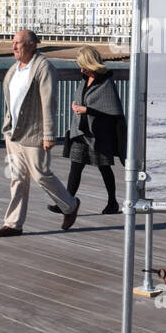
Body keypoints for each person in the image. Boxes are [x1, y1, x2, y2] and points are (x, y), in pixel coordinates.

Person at [0, 30, 79, 237]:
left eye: (18, 43)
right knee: (17, 178)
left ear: (31, 45)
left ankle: (70, 205)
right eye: (13, 42)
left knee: (41, 175)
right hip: (13, 133)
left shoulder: (43, 67)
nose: (13, 47)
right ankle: (13, 224)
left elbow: (49, 103)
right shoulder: (14, 69)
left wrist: (49, 135)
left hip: (35, 133)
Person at [50, 46, 127, 214]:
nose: (81, 68)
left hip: (99, 134)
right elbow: (84, 100)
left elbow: (112, 111)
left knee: (104, 167)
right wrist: (77, 107)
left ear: (91, 63)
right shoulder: (85, 79)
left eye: (83, 65)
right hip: (81, 132)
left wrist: (87, 110)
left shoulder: (106, 82)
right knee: (75, 167)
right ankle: (67, 203)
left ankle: (112, 202)